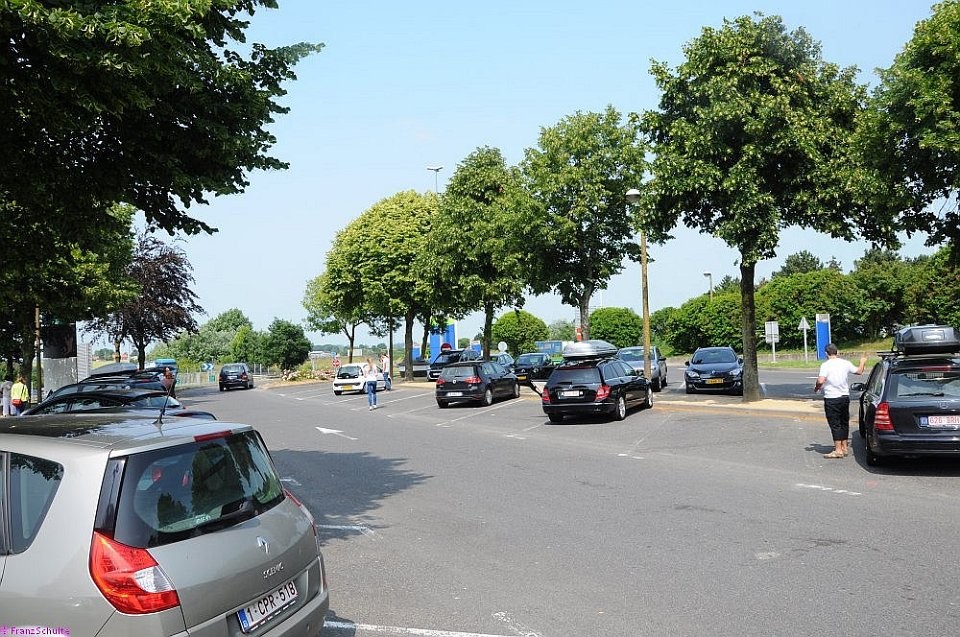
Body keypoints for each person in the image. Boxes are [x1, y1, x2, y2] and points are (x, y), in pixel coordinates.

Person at [814, 343, 868, 459]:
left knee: (835, 423)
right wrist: (862, 362)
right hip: (844, 397)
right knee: (844, 422)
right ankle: (844, 447)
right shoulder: (845, 363)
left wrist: (817, 387)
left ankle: (838, 450)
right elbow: (859, 371)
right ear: (837, 352)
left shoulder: (825, 365)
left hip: (832, 398)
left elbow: (821, 380)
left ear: (826, 353)